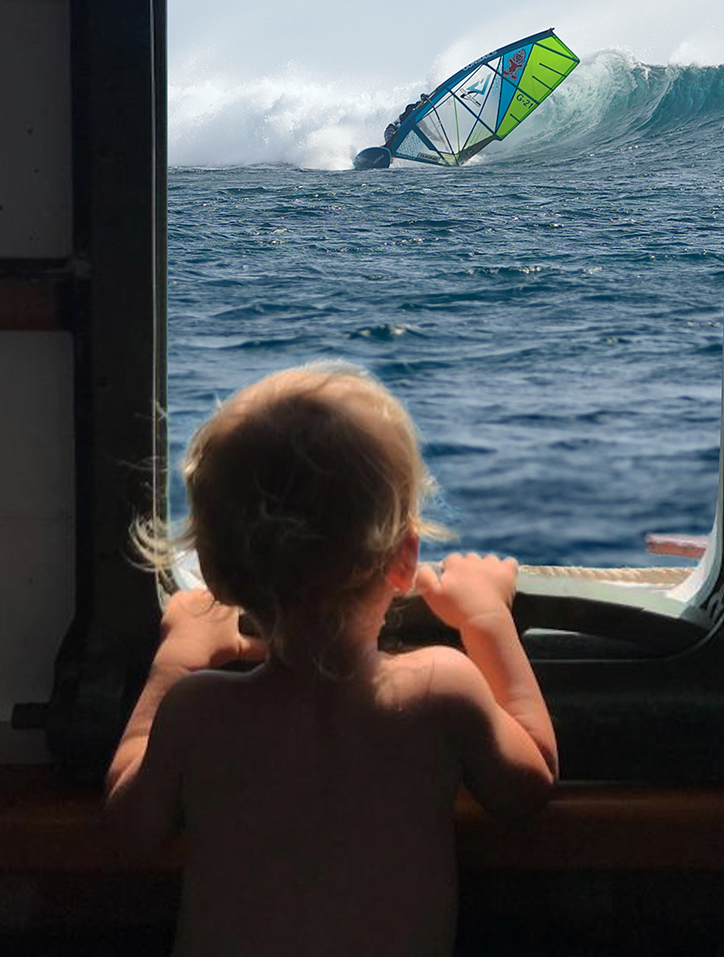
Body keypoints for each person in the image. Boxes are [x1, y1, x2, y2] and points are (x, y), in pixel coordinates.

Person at [105, 362, 557, 957]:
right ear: (405, 559)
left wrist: (175, 660)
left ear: (214, 573)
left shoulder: (197, 711)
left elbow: (130, 829)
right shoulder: (442, 690)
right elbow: (530, 785)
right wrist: (486, 619)